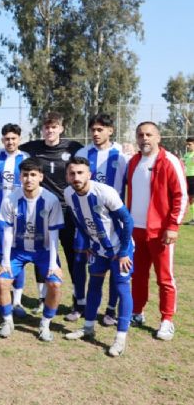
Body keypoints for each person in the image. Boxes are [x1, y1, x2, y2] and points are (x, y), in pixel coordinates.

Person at [63, 157, 134, 357]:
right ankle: (88, 327)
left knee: (122, 289)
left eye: (80, 173)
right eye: (72, 173)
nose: (76, 177)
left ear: (89, 174)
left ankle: (120, 338)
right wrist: (88, 243)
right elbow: (78, 220)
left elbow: (128, 221)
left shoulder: (105, 192)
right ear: (67, 176)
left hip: (120, 249)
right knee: (93, 286)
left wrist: (123, 252)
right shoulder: (68, 194)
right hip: (98, 249)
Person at [126, 122, 187, 341]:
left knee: (164, 278)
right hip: (136, 230)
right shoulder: (133, 162)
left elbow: (181, 196)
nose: (145, 138)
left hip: (160, 232)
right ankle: (137, 312)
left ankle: (167, 320)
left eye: (149, 134)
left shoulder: (169, 161)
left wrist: (173, 226)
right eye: (140, 135)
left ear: (158, 137)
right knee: (138, 275)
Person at [19, 112, 82, 316]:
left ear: (61, 128)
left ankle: (78, 299)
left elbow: (89, 157)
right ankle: (42, 298)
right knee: (43, 251)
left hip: (68, 209)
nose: (50, 130)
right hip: (43, 210)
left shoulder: (73, 147)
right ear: (42, 129)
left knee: (72, 255)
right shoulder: (33, 147)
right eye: (46, 127)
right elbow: (12, 147)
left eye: (54, 127)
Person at [0, 158, 64, 341]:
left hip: (44, 250)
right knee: (2, 281)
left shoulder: (51, 200)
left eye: (33, 175)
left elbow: (54, 234)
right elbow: (7, 232)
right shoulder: (10, 199)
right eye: (25, 175)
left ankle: (45, 324)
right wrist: (5, 261)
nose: (29, 179)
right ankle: (7, 321)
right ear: (20, 177)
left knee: (55, 284)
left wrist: (53, 264)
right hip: (18, 250)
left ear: (41, 177)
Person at [72, 114, 130, 325]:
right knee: (80, 260)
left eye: (100, 129)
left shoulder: (122, 155)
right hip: (87, 220)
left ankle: (111, 310)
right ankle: (79, 304)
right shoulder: (82, 153)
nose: (95, 133)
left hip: (113, 222)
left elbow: (128, 183)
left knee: (115, 265)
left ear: (110, 130)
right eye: (93, 130)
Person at [0, 124, 29, 315]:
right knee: (1, 256)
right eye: (7, 138)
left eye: (13, 138)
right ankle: (1, 299)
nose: (10, 142)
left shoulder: (26, 158)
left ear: (19, 139)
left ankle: (17, 301)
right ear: (2, 140)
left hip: (21, 216)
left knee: (18, 255)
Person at [182, 137, 194, 225]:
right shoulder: (186, 155)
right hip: (188, 178)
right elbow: (183, 164)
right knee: (190, 199)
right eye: (187, 144)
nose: (188, 146)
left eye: (190, 144)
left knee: (192, 198)